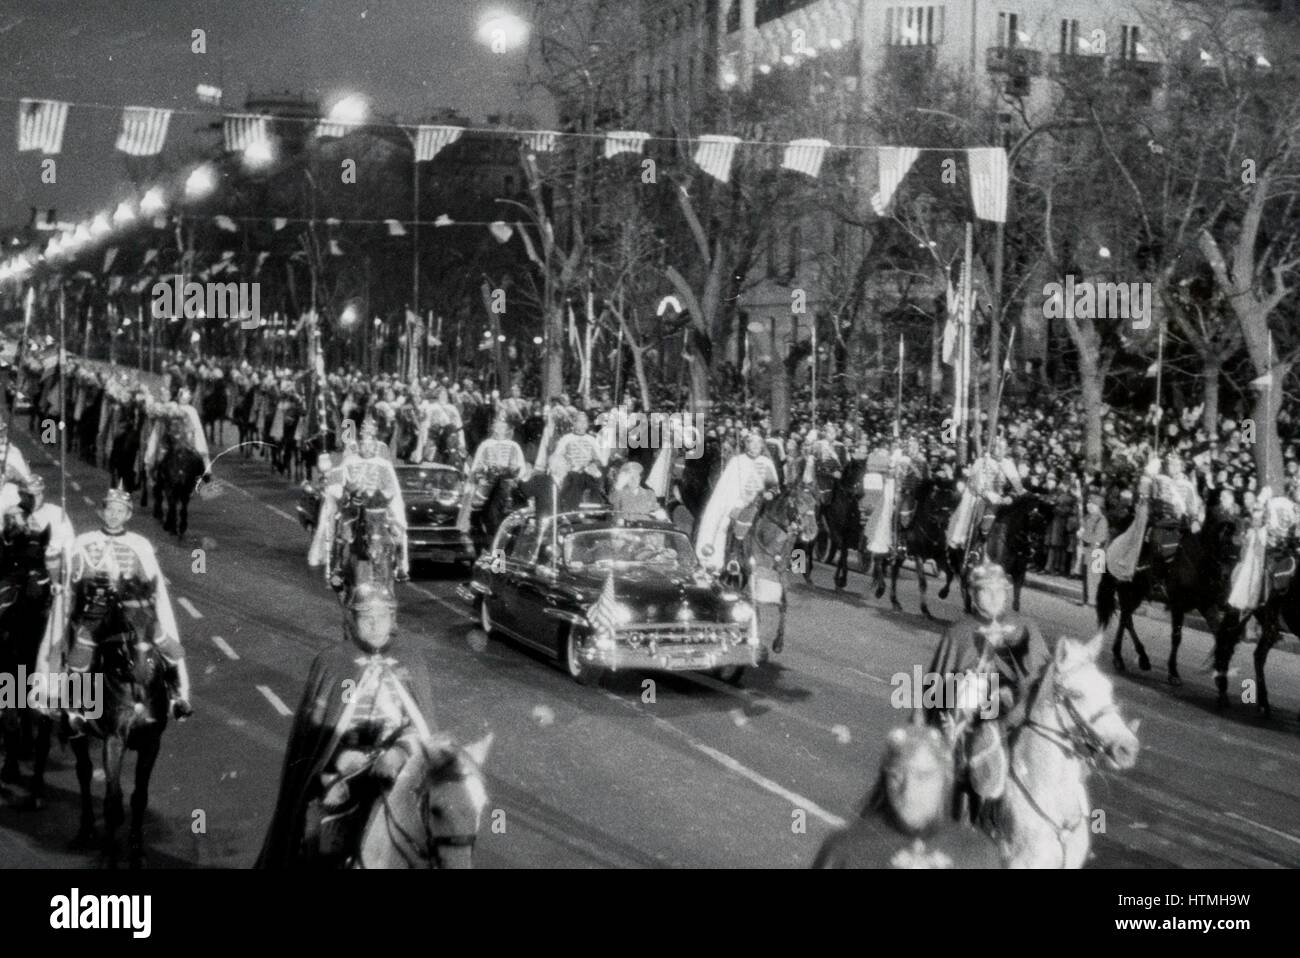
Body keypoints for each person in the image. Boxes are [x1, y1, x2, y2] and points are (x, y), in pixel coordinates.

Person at [255, 581, 437, 868]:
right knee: (321, 832)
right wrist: (342, 758)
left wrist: (400, 752)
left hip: (400, 767)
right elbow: (316, 732)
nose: (376, 625)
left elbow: (420, 726)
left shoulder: (410, 661)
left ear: (393, 619)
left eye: (382, 616)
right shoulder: (333, 662)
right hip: (343, 769)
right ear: (352, 621)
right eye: (367, 618)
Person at [39, 485, 192, 727]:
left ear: (128, 515)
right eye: (110, 510)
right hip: (96, 610)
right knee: (82, 648)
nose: (114, 515)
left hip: (131, 609)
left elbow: (148, 582)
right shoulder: (84, 540)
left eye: (120, 511)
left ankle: (175, 695)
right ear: (102, 512)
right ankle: (76, 708)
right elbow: (73, 577)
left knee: (165, 642)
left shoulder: (139, 544)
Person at [918, 561, 1051, 822]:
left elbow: (1042, 679)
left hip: (1017, 719)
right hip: (969, 726)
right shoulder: (959, 632)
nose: (993, 596)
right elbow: (935, 688)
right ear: (972, 594)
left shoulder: (1025, 627)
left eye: (999, 590)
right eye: (985, 590)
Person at [812, 725, 1003, 869]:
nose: (908, 790)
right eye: (896, 776)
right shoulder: (845, 849)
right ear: (884, 780)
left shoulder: (979, 854)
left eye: (923, 776)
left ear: (945, 779)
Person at [311, 418, 410, 585]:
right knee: (343, 531)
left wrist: (384, 497)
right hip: (354, 506)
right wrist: (344, 493)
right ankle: (338, 569)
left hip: (378, 508)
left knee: (398, 531)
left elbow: (391, 486)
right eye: (364, 438)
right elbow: (339, 479)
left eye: (370, 439)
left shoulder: (383, 463)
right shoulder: (350, 458)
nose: (367, 445)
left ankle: (400, 566)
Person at [695, 432, 780, 573]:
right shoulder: (737, 461)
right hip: (734, 503)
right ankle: (718, 560)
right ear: (746, 445)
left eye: (758, 443)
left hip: (758, 504)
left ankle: (784, 564)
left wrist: (769, 493)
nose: (756, 446)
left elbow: (773, 486)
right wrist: (734, 503)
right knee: (722, 524)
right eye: (752, 443)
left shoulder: (766, 463)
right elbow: (725, 487)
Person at [945, 436, 1023, 560]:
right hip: (980, 496)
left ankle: (979, 546)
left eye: (1001, 448)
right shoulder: (982, 461)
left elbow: (1018, 488)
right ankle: (959, 542)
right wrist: (982, 490)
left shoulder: (1008, 465)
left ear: (1005, 450)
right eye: (995, 447)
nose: (997, 450)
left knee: (991, 518)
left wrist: (1010, 497)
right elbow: (973, 481)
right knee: (967, 508)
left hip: (1000, 501)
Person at [1077, 494, 1109, 607]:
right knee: (1086, 576)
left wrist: (1083, 536)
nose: (1088, 505)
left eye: (1091, 503)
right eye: (1088, 503)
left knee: (1095, 578)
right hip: (1088, 551)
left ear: (1097, 506)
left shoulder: (1101, 520)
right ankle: (1085, 599)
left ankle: (1094, 601)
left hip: (1097, 552)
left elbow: (1098, 538)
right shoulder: (1087, 518)